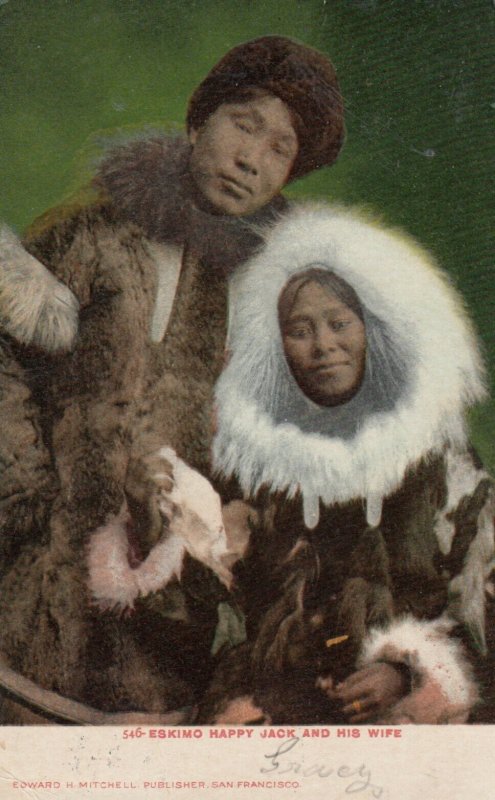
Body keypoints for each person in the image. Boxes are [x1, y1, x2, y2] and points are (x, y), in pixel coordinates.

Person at [0, 37, 345, 722]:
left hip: (162, 606)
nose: (251, 158)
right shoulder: (93, 237)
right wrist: (29, 499)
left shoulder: (253, 293)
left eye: (279, 149)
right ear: (198, 123)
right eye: (242, 124)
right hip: (37, 576)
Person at [199, 204, 495, 725]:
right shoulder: (253, 471)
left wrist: (410, 673)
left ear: (371, 330)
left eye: (339, 323)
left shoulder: (436, 459)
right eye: (300, 330)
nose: (324, 347)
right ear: (277, 346)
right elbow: (217, 612)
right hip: (276, 714)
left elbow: (480, 608)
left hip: (409, 719)